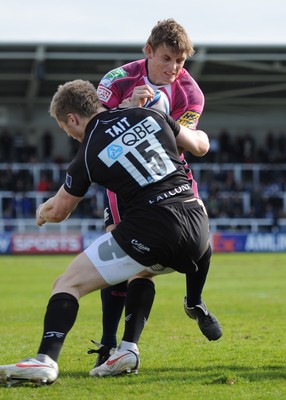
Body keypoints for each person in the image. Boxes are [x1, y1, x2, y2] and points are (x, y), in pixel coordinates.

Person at [0, 79, 212, 386]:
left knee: (67, 283)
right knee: (140, 273)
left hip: (151, 230)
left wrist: (42, 212)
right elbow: (200, 145)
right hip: (197, 228)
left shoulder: (88, 151)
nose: (70, 135)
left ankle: (44, 360)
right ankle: (127, 349)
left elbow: (59, 211)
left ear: (72, 118)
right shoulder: (151, 115)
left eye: (65, 128)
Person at [90, 18, 222, 372]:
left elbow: (188, 144)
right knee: (125, 264)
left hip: (169, 180)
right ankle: (108, 344)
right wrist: (127, 110)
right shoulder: (117, 81)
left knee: (201, 240)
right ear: (148, 51)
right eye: (167, 59)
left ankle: (194, 302)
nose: (174, 69)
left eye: (180, 61)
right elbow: (95, 127)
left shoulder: (190, 93)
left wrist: (160, 118)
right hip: (125, 185)